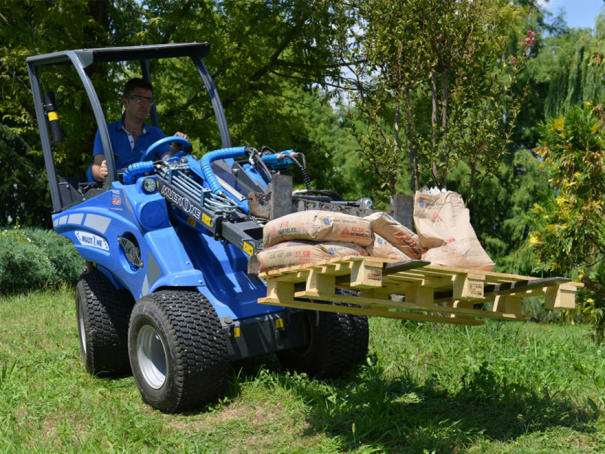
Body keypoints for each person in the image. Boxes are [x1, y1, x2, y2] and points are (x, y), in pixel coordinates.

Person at [92, 78, 189, 181]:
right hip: (116, 191)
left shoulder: (156, 134)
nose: (144, 104)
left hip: (147, 191)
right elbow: (96, 167)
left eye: (149, 100)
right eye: (139, 99)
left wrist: (176, 149)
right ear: (125, 102)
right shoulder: (107, 132)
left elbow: (168, 162)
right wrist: (100, 172)